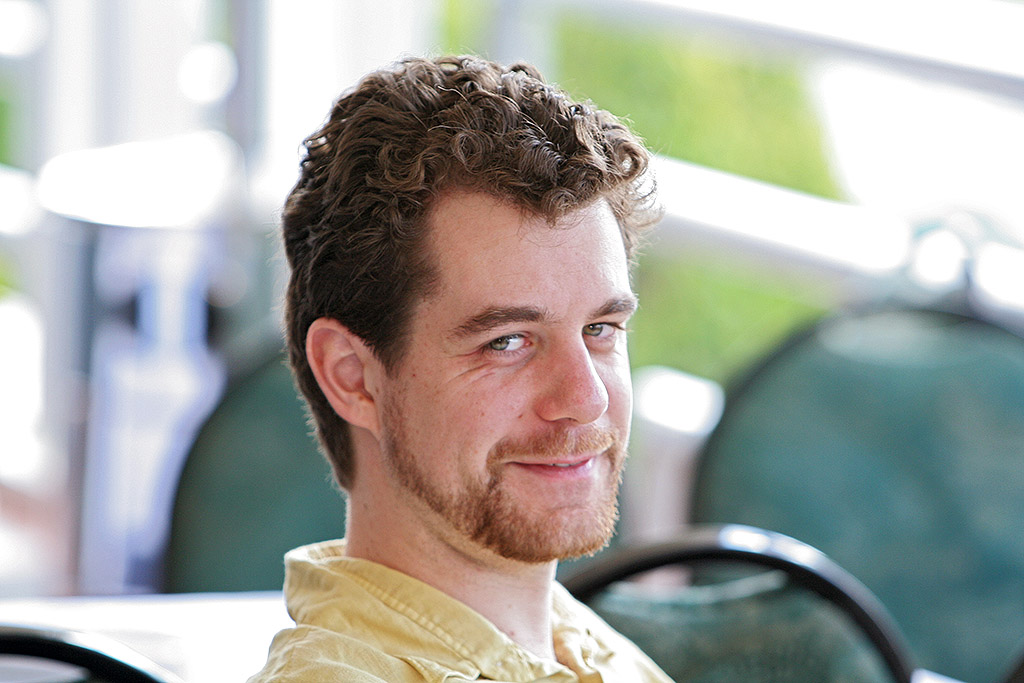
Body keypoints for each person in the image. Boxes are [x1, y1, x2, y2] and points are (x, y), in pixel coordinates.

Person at [248, 54, 669, 682]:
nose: (586, 399)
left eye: (600, 329)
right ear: (352, 375)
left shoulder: (585, 651)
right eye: (507, 342)